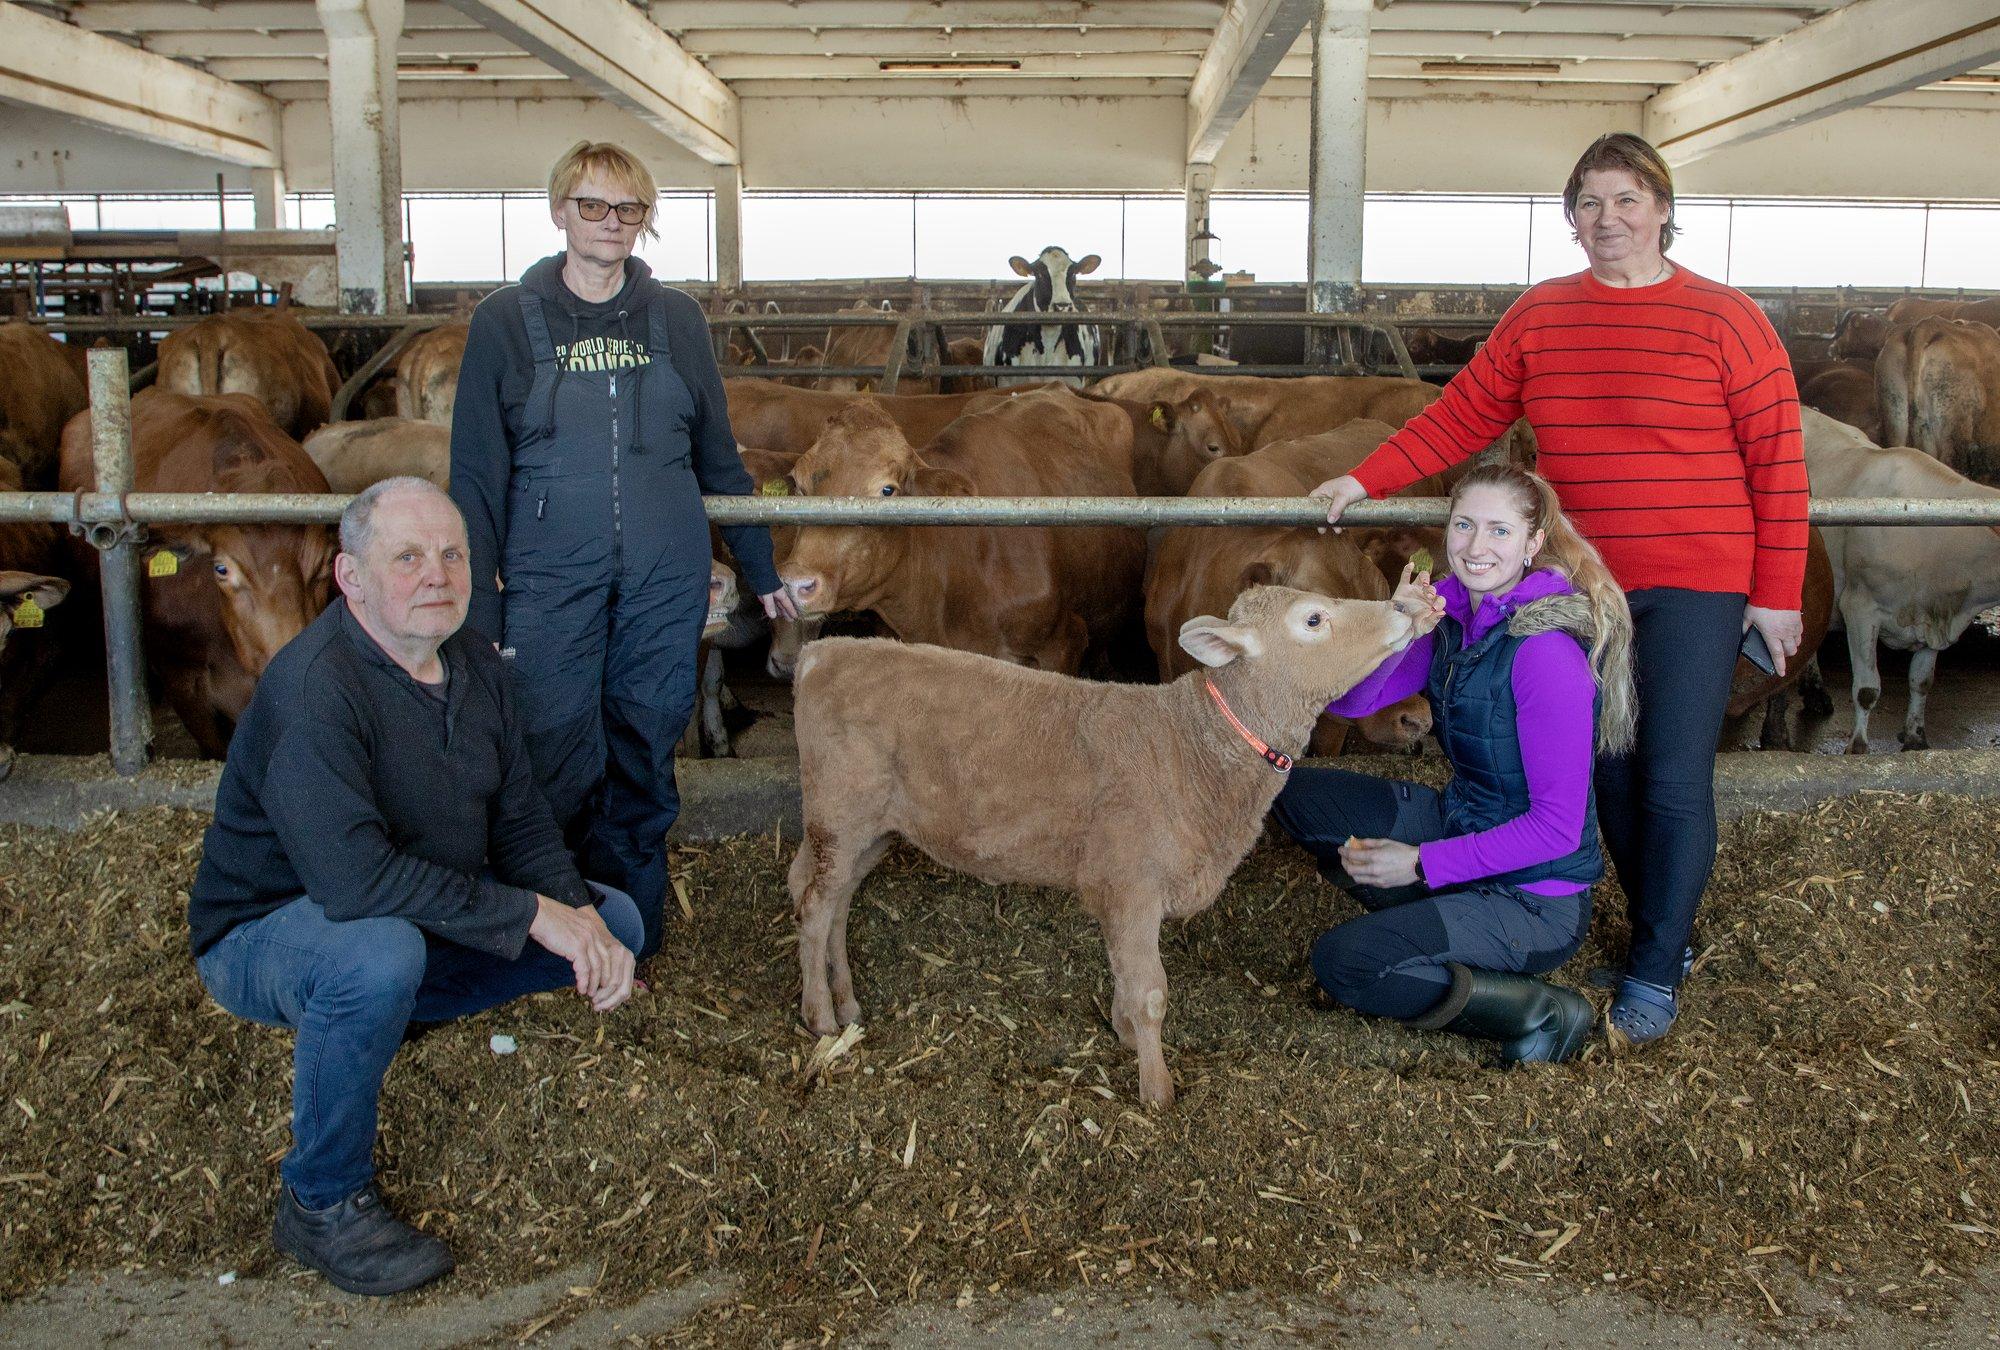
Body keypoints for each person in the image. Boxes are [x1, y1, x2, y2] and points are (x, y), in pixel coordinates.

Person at [1312, 132, 1808, 1045]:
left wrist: (1775, 591)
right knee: (1606, 778)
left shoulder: (1729, 320)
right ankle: (1653, 925)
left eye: (1626, 200)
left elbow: (1778, 462)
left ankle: (1658, 964)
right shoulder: (1541, 317)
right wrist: (1366, 479)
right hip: (1583, 586)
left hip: (1698, 581)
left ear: (1662, 208)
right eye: (1588, 203)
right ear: (1570, 218)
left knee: (1669, 777)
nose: (1607, 219)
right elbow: (1463, 412)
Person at [188, 478, 642, 1296]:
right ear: (350, 577)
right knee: (379, 955)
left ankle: (389, 1010)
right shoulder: (314, 687)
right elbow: (353, 881)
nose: (437, 573)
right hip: (273, 931)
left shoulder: (470, 661)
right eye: (407, 557)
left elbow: (521, 823)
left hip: (407, 909)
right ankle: (319, 1200)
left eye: (452, 553)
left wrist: (576, 918)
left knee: (626, 925)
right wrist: (527, 912)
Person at [450, 140, 796, 960]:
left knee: (644, 751)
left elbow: (719, 458)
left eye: (629, 209)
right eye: (593, 206)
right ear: (559, 211)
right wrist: (483, 610)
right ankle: (556, 938)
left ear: (646, 220)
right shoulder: (504, 320)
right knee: (550, 751)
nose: (611, 223)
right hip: (546, 580)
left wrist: (761, 567)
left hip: (661, 580)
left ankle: (634, 942)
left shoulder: (676, 319)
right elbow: (474, 475)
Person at [1275, 465, 1635, 1063]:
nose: (1475, 547)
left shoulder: (1545, 655)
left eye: (1499, 531)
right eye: (1464, 525)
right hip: (1464, 820)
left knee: (1345, 963)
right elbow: (1350, 702)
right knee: (1292, 791)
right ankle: (1433, 908)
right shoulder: (1452, 622)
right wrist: (1396, 629)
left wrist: (1419, 862)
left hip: (1533, 897)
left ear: (1532, 544)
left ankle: (1537, 1011)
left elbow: (1557, 829)